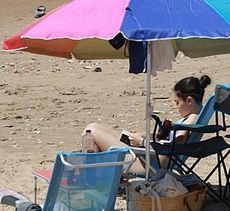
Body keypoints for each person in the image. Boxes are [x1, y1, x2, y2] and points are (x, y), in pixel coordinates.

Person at [82, 73, 214, 175]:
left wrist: (142, 142)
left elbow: (175, 146)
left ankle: (92, 179)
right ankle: (95, 177)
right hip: (153, 156)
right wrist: (149, 135)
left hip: (153, 163)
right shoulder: (193, 117)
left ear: (189, 100)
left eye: (177, 102)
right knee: (94, 126)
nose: (176, 107)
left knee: (90, 132)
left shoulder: (192, 119)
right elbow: (173, 141)